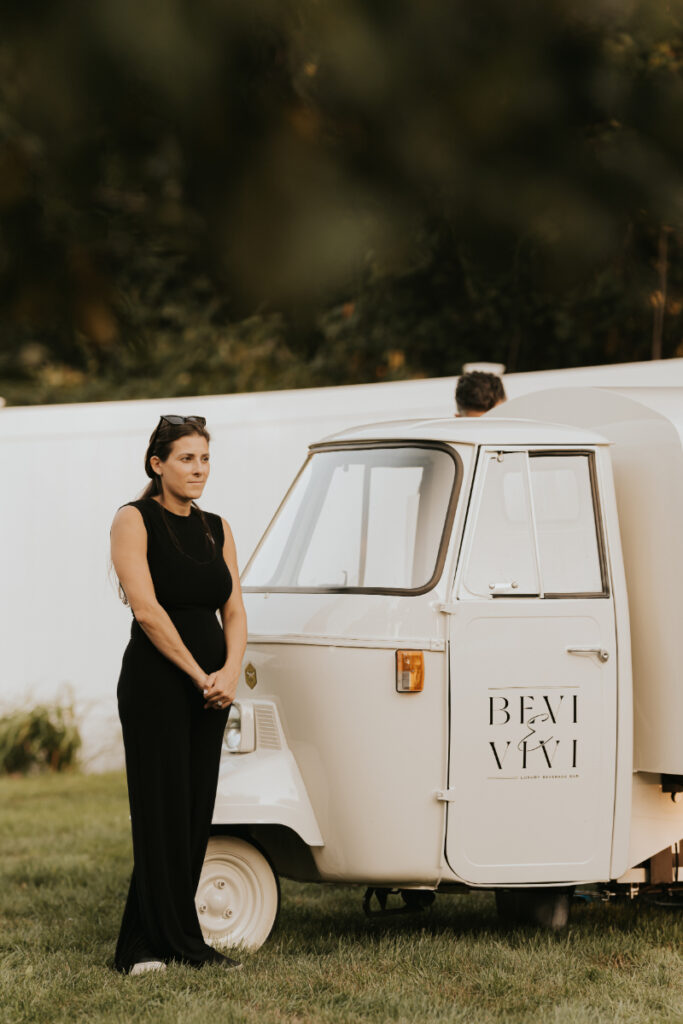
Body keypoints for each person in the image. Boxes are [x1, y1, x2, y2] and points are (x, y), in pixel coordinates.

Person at [110, 414, 247, 975]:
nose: (198, 469)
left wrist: (231, 670)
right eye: (187, 458)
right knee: (159, 809)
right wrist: (199, 674)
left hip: (213, 688)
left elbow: (234, 609)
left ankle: (172, 938)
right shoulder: (133, 519)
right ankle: (147, 947)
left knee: (193, 812)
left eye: (205, 458)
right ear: (157, 464)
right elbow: (147, 610)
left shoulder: (217, 526)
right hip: (158, 685)